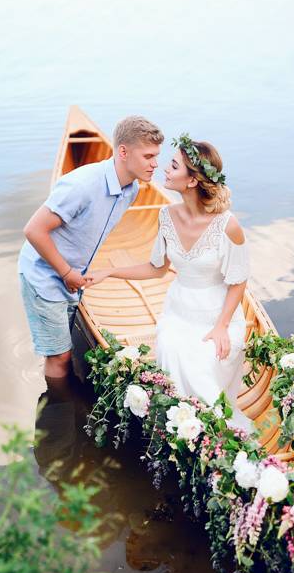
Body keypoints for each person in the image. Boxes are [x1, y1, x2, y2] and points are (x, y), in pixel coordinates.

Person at [85, 134, 253, 432]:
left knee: (202, 362)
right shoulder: (166, 215)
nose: (164, 168)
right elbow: (157, 268)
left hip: (218, 316)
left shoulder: (227, 225)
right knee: (172, 349)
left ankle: (212, 431)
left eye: (174, 166)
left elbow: (238, 281)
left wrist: (221, 326)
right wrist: (109, 272)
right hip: (179, 312)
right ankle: (184, 427)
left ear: (192, 180)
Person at [19, 116, 164, 385]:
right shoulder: (82, 185)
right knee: (59, 357)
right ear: (123, 152)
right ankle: (57, 402)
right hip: (44, 274)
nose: (155, 163)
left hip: (73, 274)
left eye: (156, 156)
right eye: (148, 156)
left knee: (61, 350)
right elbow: (34, 230)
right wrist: (66, 273)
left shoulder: (132, 189)